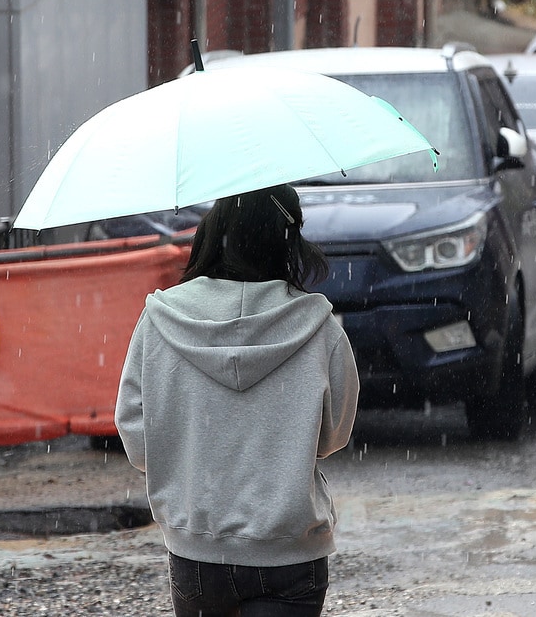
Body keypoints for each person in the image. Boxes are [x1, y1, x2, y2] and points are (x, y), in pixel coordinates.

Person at [115, 184, 360, 617]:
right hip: (291, 550)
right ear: (289, 242)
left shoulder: (158, 321)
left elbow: (136, 436)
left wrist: (190, 460)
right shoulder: (320, 328)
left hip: (197, 552)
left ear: (214, 232)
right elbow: (334, 434)